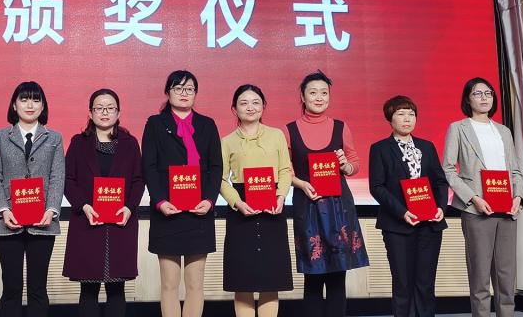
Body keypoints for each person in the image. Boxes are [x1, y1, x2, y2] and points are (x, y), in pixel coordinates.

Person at [285, 71, 368, 317]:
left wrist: (345, 166)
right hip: (307, 206)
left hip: (338, 208)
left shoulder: (341, 127)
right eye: (313, 93)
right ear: (303, 97)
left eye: (324, 93)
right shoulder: (289, 130)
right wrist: (301, 184)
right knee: (312, 276)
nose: (319, 97)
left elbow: (354, 163)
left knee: (337, 276)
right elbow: (284, 171)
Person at [442, 78, 523, 317]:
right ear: (467, 99)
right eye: (477, 93)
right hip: (476, 209)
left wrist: (518, 197)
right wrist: (473, 198)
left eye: (488, 93)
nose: (484, 97)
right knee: (480, 276)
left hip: (507, 209)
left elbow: (516, 170)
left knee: (506, 275)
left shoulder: (503, 131)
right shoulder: (458, 128)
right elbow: (448, 170)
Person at [141, 70, 222, 317]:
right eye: (178, 88)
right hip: (168, 212)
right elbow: (149, 167)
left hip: (200, 212)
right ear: (168, 92)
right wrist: (160, 201)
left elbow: (216, 166)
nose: (184, 93)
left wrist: (209, 200)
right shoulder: (155, 124)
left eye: (189, 89)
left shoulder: (207, 125)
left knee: (195, 283)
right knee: (169, 283)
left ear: (196, 93)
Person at [63, 89, 145, 317]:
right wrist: (84, 206)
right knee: (88, 289)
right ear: (90, 113)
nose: (105, 112)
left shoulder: (130, 143)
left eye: (110, 108)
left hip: (121, 224)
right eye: (99, 108)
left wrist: (129, 207)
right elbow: (68, 180)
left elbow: (138, 180)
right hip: (87, 223)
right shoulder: (79, 143)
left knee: (117, 288)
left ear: (119, 113)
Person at [0, 81, 65, 317]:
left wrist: (51, 209)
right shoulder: (1, 137)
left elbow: (57, 176)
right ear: (14, 105)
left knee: (38, 288)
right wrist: (3, 209)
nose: (30, 105)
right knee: (11, 287)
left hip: (43, 221)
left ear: (43, 106)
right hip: (7, 221)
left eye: (35, 100)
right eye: (24, 99)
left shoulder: (54, 138)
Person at [369, 95, 448, 317]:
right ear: (390, 118)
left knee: (425, 283)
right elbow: (377, 187)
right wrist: (402, 212)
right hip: (397, 225)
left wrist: (441, 207)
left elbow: (440, 182)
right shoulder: (380, 148)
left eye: (411, 114)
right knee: (402, 283)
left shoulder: (427, 147)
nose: (407, 119)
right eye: (401, 114)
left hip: (429, 225)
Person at [219, 85, 293, 317]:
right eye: (244, 103)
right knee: (242, 279)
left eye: (255, 102)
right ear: (234, 109)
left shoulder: (277, 135)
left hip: (273, 209)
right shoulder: (226, 141)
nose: (250, 107)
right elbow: (220, 179)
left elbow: (285, 170)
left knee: (271, 277)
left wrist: (281, 196)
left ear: (263, 106)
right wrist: (236, 202)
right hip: (241, 211)